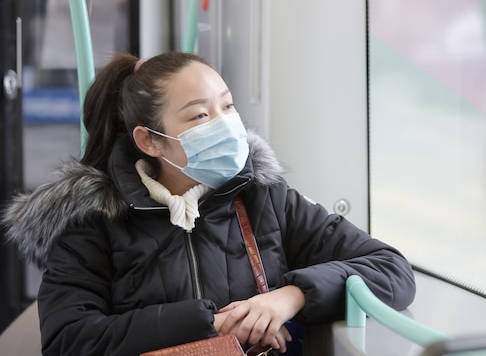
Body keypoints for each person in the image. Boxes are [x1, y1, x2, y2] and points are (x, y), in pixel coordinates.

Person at [1, 52, 416, 355]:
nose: (225, 125)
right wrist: (214, 324)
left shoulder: (265, 198)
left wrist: (289, 296)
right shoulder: (92, 221)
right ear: (150, 140)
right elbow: (70, 339)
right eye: (200, 116)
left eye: (228, 106)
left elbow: (391, 270)